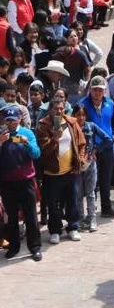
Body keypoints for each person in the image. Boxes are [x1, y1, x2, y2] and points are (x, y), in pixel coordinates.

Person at [37, 97, 86, 244]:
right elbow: (43, 151)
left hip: (71, 170)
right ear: (50, 110)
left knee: (73, 200)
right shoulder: (43, 125)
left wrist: (81, 159)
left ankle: (73, 227)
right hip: (52, 173)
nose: (59, 111)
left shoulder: (71, 122)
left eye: (61, 109)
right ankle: (55, 230)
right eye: (55, 109)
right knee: (54, 203)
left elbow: (81, 143)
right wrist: (55, 139)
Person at [0, 105, 42, 261]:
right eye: (8, 120)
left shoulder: (27, 133)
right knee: (11, 217)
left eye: (14, 120)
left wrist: (27, 143)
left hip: (26, 181)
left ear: (20, 119)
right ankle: (14, 247)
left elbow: (36, 154)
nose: (11, 123)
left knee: (30, 215)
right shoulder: (2, 134)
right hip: (7, 182)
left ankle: (35, 247)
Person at [79, 76, 114, 218]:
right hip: (92, 149)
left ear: (104, 91)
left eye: (100, 90)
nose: (97, 93)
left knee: (106, 179)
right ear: (90, 90)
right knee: (91, 182)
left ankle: (106, 208)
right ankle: (91, 211)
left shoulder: (110, 104)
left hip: (108, 146)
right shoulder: (83, 105)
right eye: (95, 90)